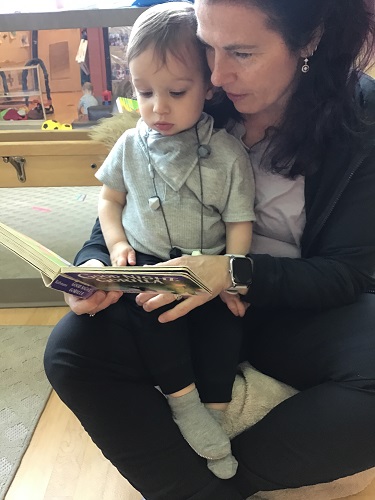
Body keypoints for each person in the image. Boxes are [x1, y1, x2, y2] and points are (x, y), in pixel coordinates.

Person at [44, 0, 375, 498]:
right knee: (71, 348)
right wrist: (96, 263)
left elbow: (348, 274)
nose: (216, 74)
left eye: (241, 52)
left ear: (310, 40)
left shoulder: (360, 119)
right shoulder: (188, 88)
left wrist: (231, 273)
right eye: (207, 44)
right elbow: (127, 197)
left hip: (289, 304)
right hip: (176, 289)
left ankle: (210, 488)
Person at [94, 2, 255, 479]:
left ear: (208, 86)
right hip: (147, 263)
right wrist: (116, 243)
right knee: (154, 322)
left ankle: (217, 412)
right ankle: (184, 405)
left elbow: (239, 221)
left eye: (177, 92)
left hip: (205, 268)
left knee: (225, 331)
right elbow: (108, 201)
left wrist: (232, 272)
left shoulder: (227, 152)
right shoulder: (129, 144)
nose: (158, 107)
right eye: (144, 92)